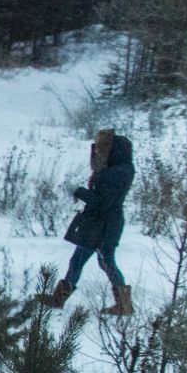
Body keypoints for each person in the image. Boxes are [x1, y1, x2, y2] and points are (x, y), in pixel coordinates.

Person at [41, 128, 134, 316]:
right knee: (96, 260)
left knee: (95, 261)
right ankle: (123, 304)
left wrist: (79, 191)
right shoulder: (122, 169)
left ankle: (123, 305)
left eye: (103, 149)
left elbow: (101, 203)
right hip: (106, 224)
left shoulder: (114, 173)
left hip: (103, 225)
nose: (99, 153)